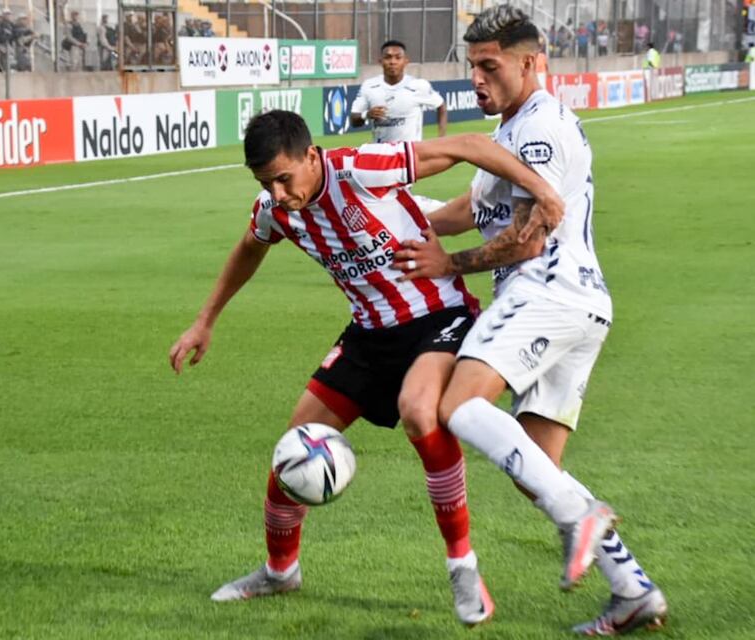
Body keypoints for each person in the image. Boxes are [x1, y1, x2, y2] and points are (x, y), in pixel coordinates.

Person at [169, 109, 565, 625]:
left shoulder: (363, 169)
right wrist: (205, 321)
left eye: (284, 178)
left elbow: (469, 144)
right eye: (266, 183)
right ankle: (280, 571)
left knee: (419, 411)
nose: (278, 193)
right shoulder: (275, 210)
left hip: (438, 317)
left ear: (312, 156)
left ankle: (462, 566)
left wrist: (542, 191)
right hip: (369, 335)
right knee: (293, 447)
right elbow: (249, 248)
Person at [393, 6, 668, 635]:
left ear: (530, 62)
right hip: (581, 304)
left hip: (545, 289)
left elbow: (528, 237)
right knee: (538, 468)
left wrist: (448, 264)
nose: (477, 79)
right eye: (472, 67)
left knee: (459, 406)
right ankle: (632, 589)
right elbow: (473, 208)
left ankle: (583, 516)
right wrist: (393, 220)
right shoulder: (515, 127)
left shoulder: (540, 127)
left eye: (490, 67)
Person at [350, 40, 448, 142]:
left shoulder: (418, 85)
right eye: (388, 57)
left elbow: (441, 106)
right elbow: (353, 120)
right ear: (380, 61)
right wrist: (366, 115)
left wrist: (441, 138)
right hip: (381, 150)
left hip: (408, 150)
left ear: (405, 61)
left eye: (398, 57)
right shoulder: (369, 86)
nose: (393, 62)